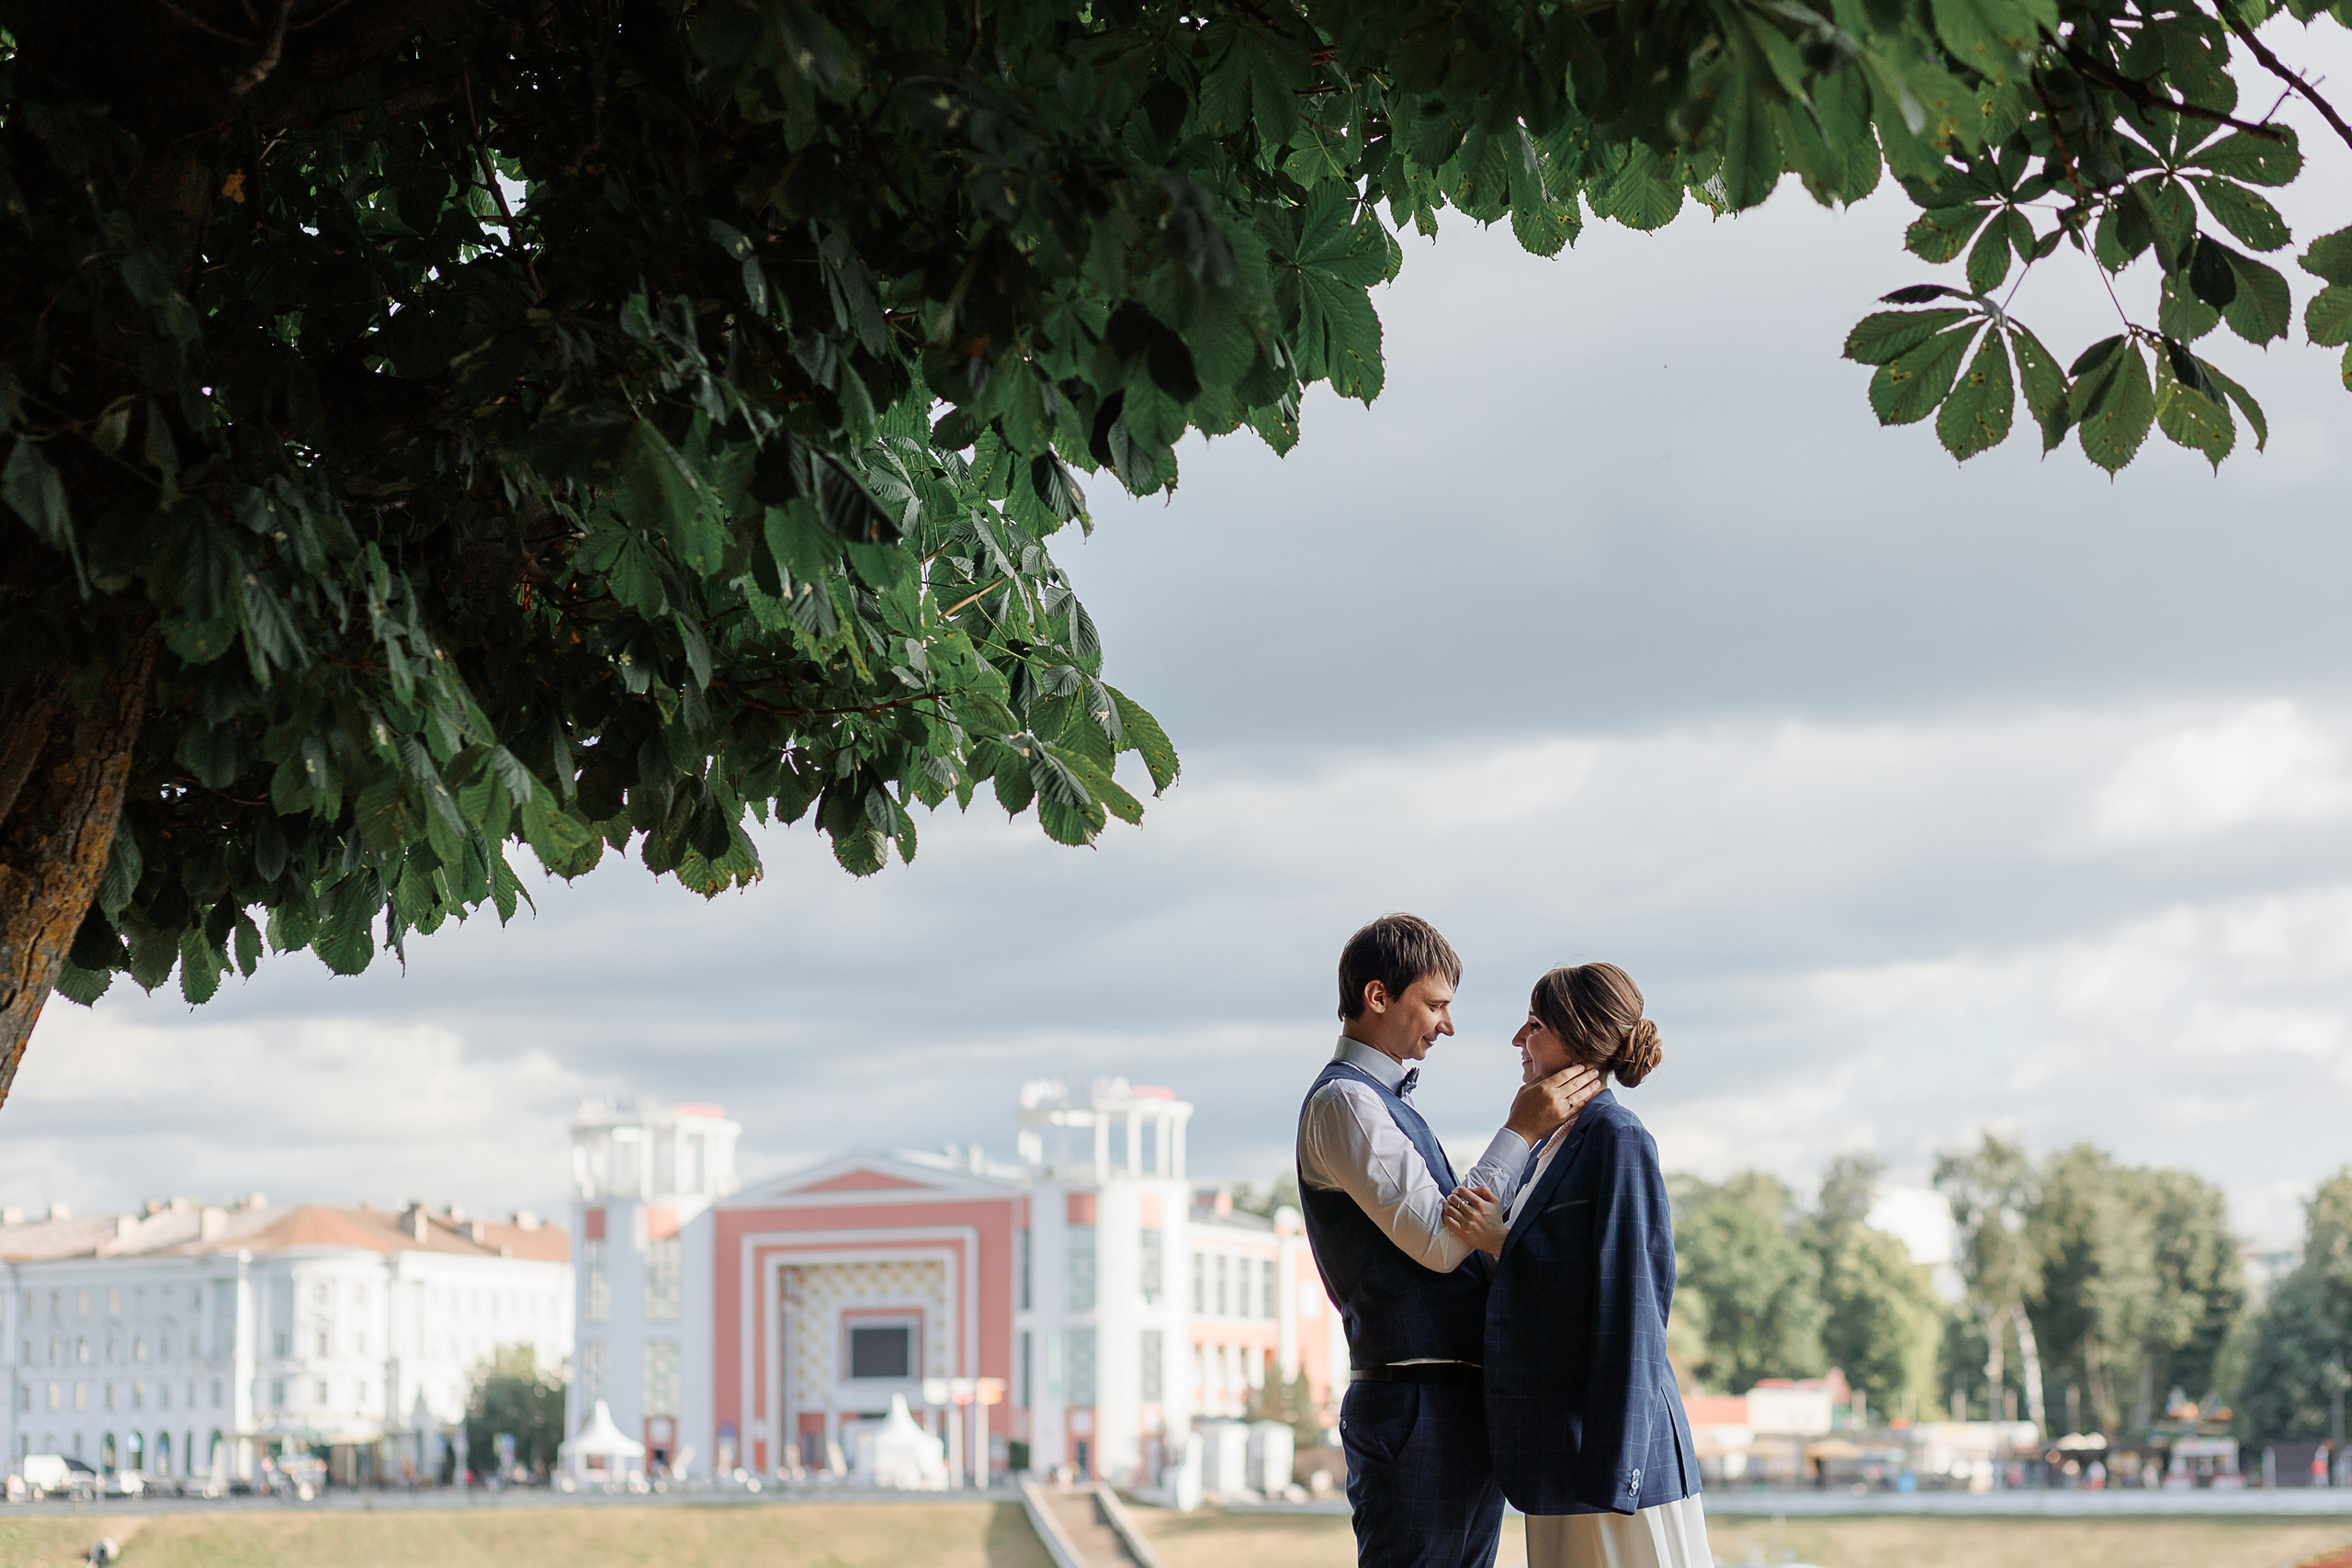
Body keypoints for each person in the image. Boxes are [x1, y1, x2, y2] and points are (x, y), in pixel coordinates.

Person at [1298, 914, 1602, 1568]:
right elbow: (1440, 1241)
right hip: (1415, 1407)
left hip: (1449, 1407)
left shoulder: (1384, 1105)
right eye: (1435, 1003)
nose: (1449, 1024)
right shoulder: (1345, 1105)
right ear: (1379, 996)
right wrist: (1521, 1130)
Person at [1442, 962, 1709, 1568]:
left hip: (1608, 1459)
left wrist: (1501, 1241)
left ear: (1578, 1038)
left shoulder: (1619, 1137)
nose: (1518, 1039)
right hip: (1560, 1456)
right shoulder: (1550, 1145)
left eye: (1534, 1025)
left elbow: (1634, 1300)